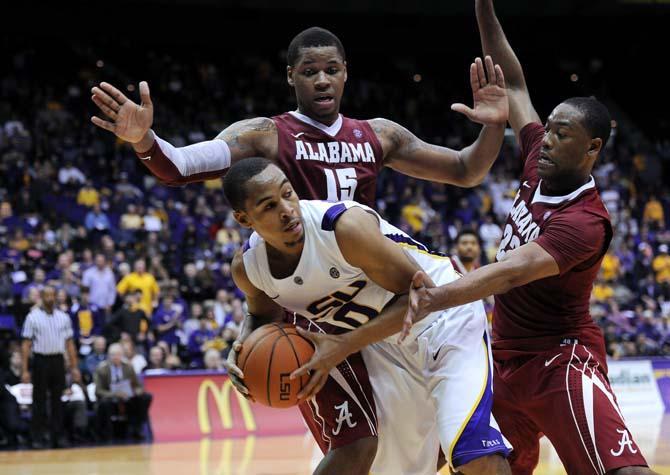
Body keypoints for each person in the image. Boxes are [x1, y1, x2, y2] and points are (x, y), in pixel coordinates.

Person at [91, 25, 509, 469]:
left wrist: (494, 127)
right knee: (361, 448)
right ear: (291, 76)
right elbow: (180, 165)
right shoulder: (266, 135)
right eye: (310, 71)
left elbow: (466, 169)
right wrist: (144, 142)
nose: (322, 80)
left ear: (346, 73)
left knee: (417, 451)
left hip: (378, 293)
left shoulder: (377, 135)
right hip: (315, 312)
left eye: (331, 70)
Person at [404, 1, 652, 473]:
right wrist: (483, 7)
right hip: (503, 361)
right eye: (549, 130)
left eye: (562, 134)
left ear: (592, 148)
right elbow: (514, 83)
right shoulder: (538, 154)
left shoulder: (585, 221)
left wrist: (437, 298)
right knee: (461, 463)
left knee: (625, 470)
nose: (548, 140)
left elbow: (512, 271)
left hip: (558, 360)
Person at [222, 159, 511, 474]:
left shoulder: (343, 229)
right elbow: (262, 317)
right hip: (383, 344)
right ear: (244, 218)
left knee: (477, 455)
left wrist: (343, 344)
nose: (287, 209)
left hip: (443, 321)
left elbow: (421, 297)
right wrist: (241, 345)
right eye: (268, 206)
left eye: (288, 194)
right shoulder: (249, 269)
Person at [20, 286, 81, 449]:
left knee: (58, 401)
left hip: (58, 361)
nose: (50, 298)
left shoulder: (64, 317)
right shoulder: (32, 317)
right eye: (47, 295)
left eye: (52, 295)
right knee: (39, 401)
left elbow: (70, 344)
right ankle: (38, 437)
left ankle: (58, 437)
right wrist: (24, 369)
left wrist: (74, 367)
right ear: (41, 297)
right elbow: (26, 345)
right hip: (40, 360)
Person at [94, 343, 152, 440]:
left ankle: (137, 429)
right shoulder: (101, 369)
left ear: (122, 355)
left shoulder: (128, 367)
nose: (115, 357)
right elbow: (98, 391)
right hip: (110, 398)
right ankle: (107, 434)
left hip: (127, 397)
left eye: (118, 354)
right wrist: (114, 394)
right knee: (104, 403)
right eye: (113, 355)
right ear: (108, 356)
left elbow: (138, 386)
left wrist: (134, 393)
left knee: (145, 397)